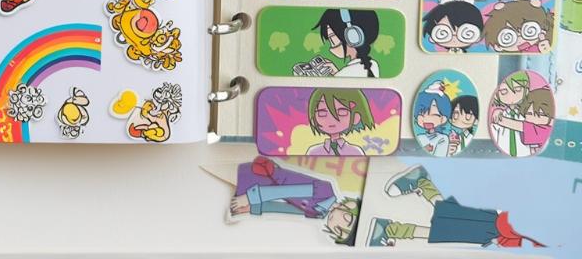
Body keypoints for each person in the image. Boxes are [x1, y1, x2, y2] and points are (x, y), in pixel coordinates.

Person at [368, 165, 544, 248]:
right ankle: (392, 229)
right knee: (455, 228)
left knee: (452, 232)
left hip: (509, 235)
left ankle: (392, 229)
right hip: (507, 225)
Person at [228, 157, 359, 245]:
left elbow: (285, 209)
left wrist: (252, 208)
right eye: (347, 220)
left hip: (256, 190)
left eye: (339, 233)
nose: (337, 227)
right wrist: (250, 198)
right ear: (350, 205)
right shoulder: (325, 190)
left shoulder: (319, 213)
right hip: (260, 175)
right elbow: (286, 191)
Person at [297, 8, 380, 78]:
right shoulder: (373, 64)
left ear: (352, 37)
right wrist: (337, 73)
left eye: (331, 36)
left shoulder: (347, 73)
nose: (331, 44)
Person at [306, 88, 374, 156]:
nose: (331, 119)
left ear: (356, 117)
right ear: (313, 120)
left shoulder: (356, 152)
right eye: (322, 112)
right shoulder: (313, 152)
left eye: (342, 111)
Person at [413, 83, 451, 157]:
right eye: (421, 115)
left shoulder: (442, 139)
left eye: (434, 115)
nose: (426, 119)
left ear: (443, 118)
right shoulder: (420, 137)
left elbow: (440, 155)